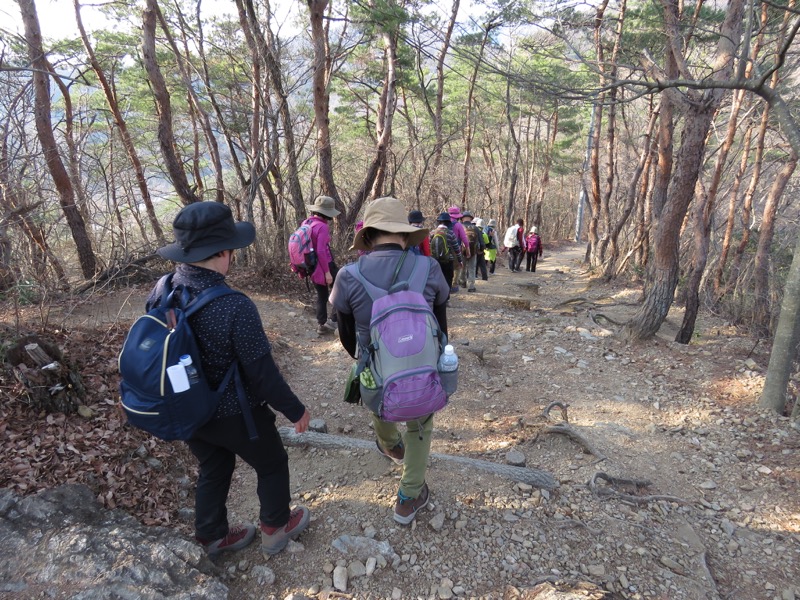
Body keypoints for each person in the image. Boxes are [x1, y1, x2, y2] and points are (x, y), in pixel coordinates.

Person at [153, 201, 311, 558]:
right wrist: (294, 409)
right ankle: (275, 527)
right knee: (271, 463)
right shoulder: (234, 305)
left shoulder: (163, 289)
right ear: (223, 253)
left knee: (215, 464)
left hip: (187, 409)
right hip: (235, 412)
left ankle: (210, 536)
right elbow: (261, 372)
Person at [330, 196, 450, 525]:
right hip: (424, 364)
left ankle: (390, 444)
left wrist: (365, 357)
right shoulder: (429, 267)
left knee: (375, 393)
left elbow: (345, 334)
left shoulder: (348, 275)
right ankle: (409, 498)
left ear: (368, 236)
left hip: (375, 364)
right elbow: (440, 320)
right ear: (404, 234)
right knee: (421, 424)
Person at [303, 195, 340, 334]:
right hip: (325, 265)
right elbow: (320, 250)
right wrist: (327, 272)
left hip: (311, 266)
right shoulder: (322, 226)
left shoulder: (307, 223)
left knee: (322, 295)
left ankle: (322, 324)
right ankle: (334, 320)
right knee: (342, 287)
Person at [431, 212, 459, 292]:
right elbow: (456, 248)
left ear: (439, 222)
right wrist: (460, 260)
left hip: (435, 260)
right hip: (448, 260)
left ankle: (437, 299)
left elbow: (429, 246)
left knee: (436, 279)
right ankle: (446, 299)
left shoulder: (433, 232)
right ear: (448, 223)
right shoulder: (450, 233)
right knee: (448, 279)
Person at [459, 211, 483, 292]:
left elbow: (457, 240)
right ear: (470, 219)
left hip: (462, 251)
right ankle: (471, 286)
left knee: (463, 267)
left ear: (462, 219)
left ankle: (462, 282)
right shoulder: (475, 228)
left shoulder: (460, 227)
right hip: (473, 251)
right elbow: (481, 241)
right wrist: (481, 250)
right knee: (472, 268)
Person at [447, 205, 469, 292]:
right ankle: (454, 285)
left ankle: (446, 285)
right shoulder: (458, 225)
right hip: (456, 249)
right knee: (457, 267)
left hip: (444, 249)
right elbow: (465, 240)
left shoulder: (444, 224)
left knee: (447, 267)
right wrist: (468, 249)